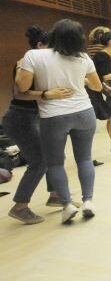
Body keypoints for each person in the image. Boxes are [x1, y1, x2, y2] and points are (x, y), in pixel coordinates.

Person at [16, 19, 103, 223]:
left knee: (55, 163)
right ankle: (88, 201)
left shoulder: (35, 55)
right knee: (84, 159)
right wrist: (80, 80)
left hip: (54, 116)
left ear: (54, 35)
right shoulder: (84, 59)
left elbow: (23, 87)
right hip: (84, 112)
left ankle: (66, 205)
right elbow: (97, 87)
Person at [3, 26, 75, 224]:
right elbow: (19, 92)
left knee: (55, 155)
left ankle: (55, 195)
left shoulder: (45, 63)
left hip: (37, 117)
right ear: (40, 45)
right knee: (40, 162)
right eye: (53, 48)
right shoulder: (24, 62)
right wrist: (46, 94)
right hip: (21, 119)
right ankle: (20, 206)